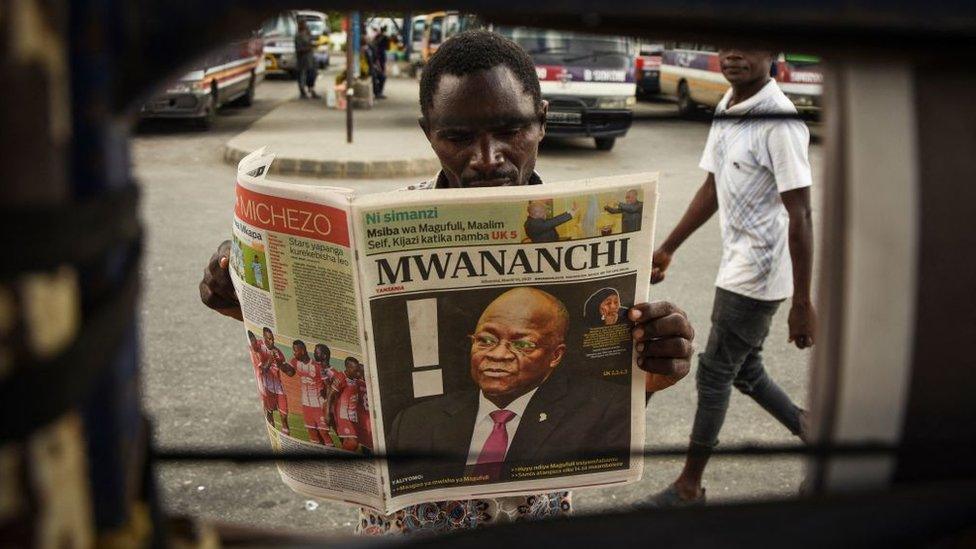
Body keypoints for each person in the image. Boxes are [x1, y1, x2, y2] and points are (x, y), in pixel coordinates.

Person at [200, 30, 695, 535]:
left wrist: (650, 371)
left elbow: (592, 411)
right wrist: (238, 285)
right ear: (429, 133)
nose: (487, 157)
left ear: (542, 122)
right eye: (458, 138)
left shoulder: (585, 241)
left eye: (510, 131)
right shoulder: (381, 229)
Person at [646, 47, 815, 507]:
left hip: (757, 275)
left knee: (716, 373)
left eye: (749, 45)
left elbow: (801, 215)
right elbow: (713, 186)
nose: (734, 54)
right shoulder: (728, 106)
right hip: (735, 264)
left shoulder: (779, 122)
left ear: (774, 54)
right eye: (726, 45)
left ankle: (688, 488)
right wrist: (668, 247)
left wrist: (802, 304)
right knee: (746, 371)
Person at [389, 288, 629, 482]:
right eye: (486, 340)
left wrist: (646, 385)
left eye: (522, 345)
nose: (498, 354)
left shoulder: (596, 411)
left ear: (555, 356)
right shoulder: (413, 423)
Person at [289, 340, 332, 445]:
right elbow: (289, 372)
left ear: (303, 351)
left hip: (318, 405)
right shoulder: (294, 362)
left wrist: (327, 407)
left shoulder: (318, 367)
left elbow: (328, 386)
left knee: (324, 433)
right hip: (306, 405)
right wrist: (278, 362)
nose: (294, 353)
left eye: (295, 351)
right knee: (312, 433)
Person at [256, 327, 295, 434]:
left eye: (272, 339)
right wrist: (270, 358)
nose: (271, 341)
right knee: (269, 414)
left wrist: (288, 369)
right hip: (266, 387)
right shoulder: (260, 347)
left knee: (284, 417)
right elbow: (263, 370)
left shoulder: (278, 352)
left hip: (278, 387)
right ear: (264, 338)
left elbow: (285, 369)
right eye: (269, 339)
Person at [325, 357, 366, 452]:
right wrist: (327, 413)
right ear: (348, 368)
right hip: (343, 415)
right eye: (356, 371)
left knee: (349, 444)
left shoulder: (356, 379)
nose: (358, 373)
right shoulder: (341, 377)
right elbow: (331, 395)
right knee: (353, 442)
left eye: (358, 371)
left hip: (353, 415)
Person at [294, 19, 318, 99]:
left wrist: (310, 36)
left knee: (312, 75)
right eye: (303, 24)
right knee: (302, 77)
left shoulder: (307, 34)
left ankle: (311, 90)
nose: (305, 26)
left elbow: (311, 41)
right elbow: (298, 49)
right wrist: (309, 48)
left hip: (310, 59)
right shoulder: (298, 35)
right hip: (302, 60)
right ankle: (302, 92)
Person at [372, 26, 390, 98]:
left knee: (381, 74)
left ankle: (378, 92)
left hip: (377, 57)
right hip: (381, 56)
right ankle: (379, 92)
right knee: (382, 74)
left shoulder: (376, 37)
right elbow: (388, 47)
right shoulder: (385, 37)